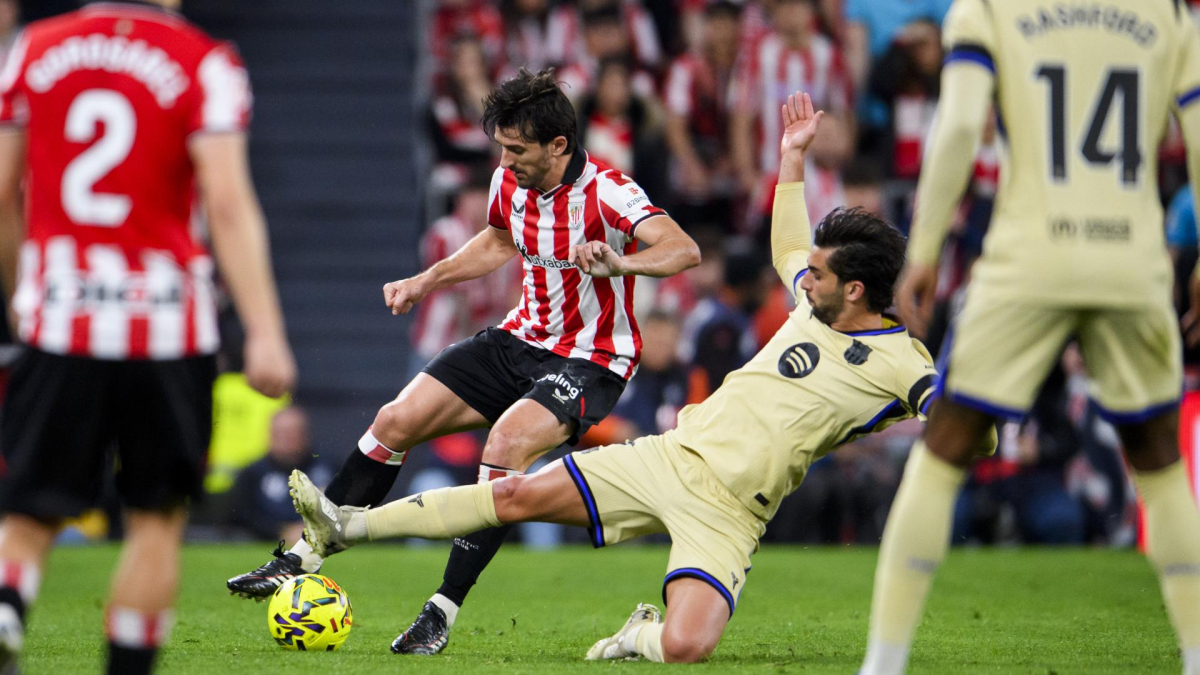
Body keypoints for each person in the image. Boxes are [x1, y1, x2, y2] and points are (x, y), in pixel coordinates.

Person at [287, 92, 966, 664]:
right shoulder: (813, 300)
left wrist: (974, 419)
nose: (801, 274)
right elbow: (788, 243)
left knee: (688, 645)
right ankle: (351, 520)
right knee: (514, 491)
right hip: (671, 457)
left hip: (734, 512)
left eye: (818, 273)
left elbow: (961, 422)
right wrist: (791, 157)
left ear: (852, 289)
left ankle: (636, 631)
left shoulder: (905, 364)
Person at [226, 67, 700, 656]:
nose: (505, 160)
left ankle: (440, 612)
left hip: (590, 358)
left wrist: (621, 264)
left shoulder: (609, 190)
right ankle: (297, 560)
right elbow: (499, 242)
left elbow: (683, 248)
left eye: (516, 149)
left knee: (504, 449)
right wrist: (426, 281)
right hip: (517, 339)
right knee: (396, 420)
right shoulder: (510, 179)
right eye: (501, 146)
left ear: (559, 145)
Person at [861, 1, 1200, 674]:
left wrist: (924, 246)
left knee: (943, 450)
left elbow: (957, 127)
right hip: (1131, 257)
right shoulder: (1168, 14)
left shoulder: (988, 7)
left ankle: (883, 664)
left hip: (1028, 255)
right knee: (1161, 467)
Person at [0, 1, 297, 673]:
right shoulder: (204, 62)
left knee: (28, 513)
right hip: (167, 328)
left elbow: (2, 189)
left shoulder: (33, 51)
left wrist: (25, 290)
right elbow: (225, 201)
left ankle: (8, 602)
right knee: (155, 518)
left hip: (61, 315)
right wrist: (265, 331)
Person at [230, 407, 332, 543]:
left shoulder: (328, 468)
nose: (288, 440)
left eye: (294, 433)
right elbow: (241, 515)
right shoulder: (252, 474)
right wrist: (280, 531)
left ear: (306, 435)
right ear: (269, 435)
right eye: (282, 434)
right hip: (265, 544)